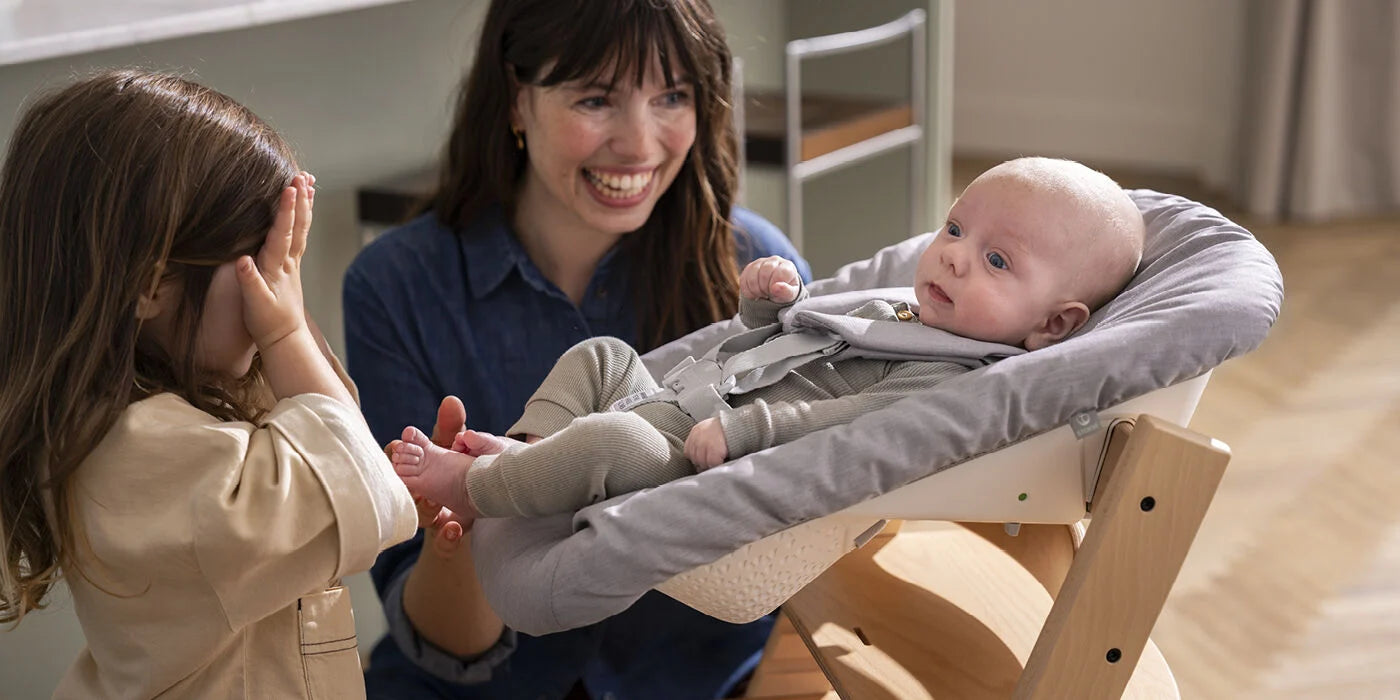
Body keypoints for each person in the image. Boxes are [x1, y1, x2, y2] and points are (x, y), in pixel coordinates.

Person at [341, 0, 810, 697]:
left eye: (672, 96)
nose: (640, 143)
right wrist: (470, 524)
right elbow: (444, 646)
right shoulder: (395, 287)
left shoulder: (755, 270)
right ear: (515, 100)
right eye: (595, 98)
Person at [387, 156, 1147, 519]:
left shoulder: (960, 375)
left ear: (1054, 324)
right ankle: (525, 451)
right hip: (676, 395)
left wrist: (747, 428)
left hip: (691, 454)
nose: (951, 253)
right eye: (955, 227)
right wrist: (764, 309)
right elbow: (790, 345)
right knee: (602, 356)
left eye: (996, 259)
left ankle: (479, 489)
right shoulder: (906, 307)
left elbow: (850, 421)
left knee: (610, 447)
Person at [0, 71, 417, 698]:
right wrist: (284, 335)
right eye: (264, 259)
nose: (279, 288)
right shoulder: (141, 450)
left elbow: (330, 442)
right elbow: (357, 486)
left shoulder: (142, 424)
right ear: (151, 283)